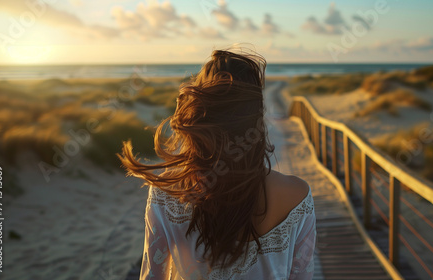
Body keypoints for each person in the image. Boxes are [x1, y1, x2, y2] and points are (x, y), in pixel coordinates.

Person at [118, 48, 316, 279]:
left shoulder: (167, 192)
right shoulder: (297, 195)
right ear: (256, 119)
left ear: (201, 113)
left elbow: (153, 275)